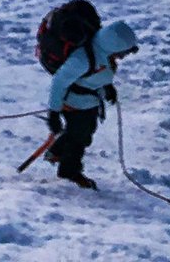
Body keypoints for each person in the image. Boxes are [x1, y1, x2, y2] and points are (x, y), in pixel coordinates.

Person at [46, 20, 139, 189]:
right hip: (74, 103)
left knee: (82, 130)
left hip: (88, 102)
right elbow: (59, 81)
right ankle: (69, 171)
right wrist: (53, 112)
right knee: (80, 138)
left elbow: (96, 76)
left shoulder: (102, 54)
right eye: (122, 53)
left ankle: (56, 152)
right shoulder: (82, 59)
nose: (122, 57)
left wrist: (106, 88)